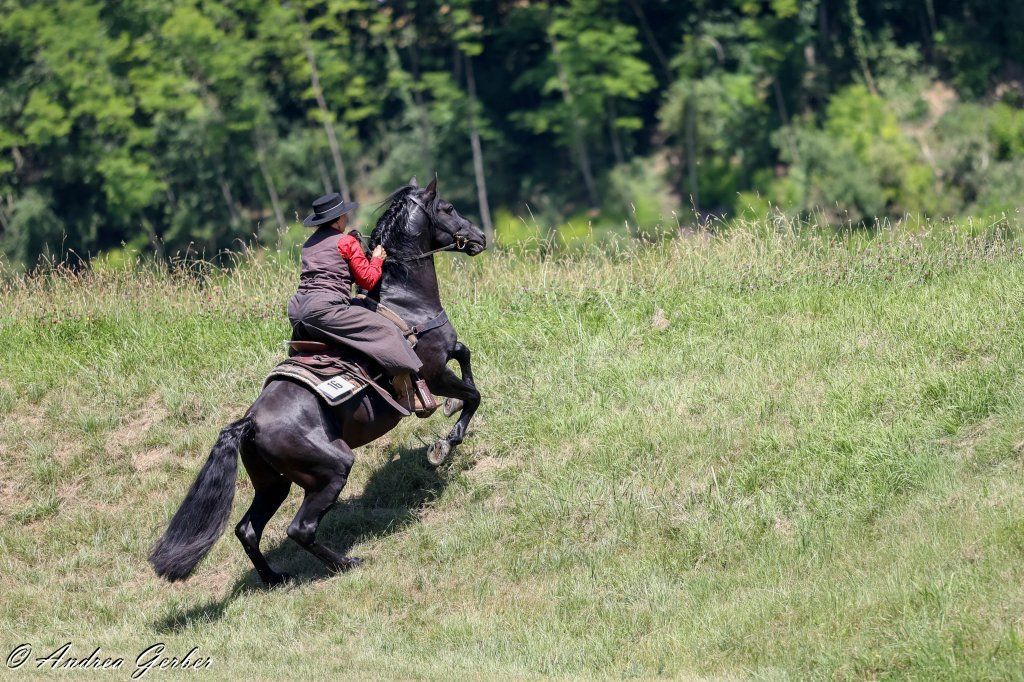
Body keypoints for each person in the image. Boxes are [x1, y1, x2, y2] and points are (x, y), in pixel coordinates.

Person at [287, 192, 437, 416]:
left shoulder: (309, 244)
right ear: (338, 219)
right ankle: (405, 393)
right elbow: (366, 279)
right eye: (344, 215)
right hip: (326, 309)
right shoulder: (345, 241)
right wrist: (377, 258)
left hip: (297, 309)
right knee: (387, 331)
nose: (346, 218)